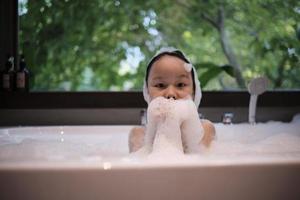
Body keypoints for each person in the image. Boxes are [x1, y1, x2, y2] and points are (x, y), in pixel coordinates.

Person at [128, 47, 216, 153]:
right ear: (147, 92)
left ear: (194, 92)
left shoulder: (205, 129)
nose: (170, 94)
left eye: (180, 85)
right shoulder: (138, 134)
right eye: (160, 85)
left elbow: (200, 162)